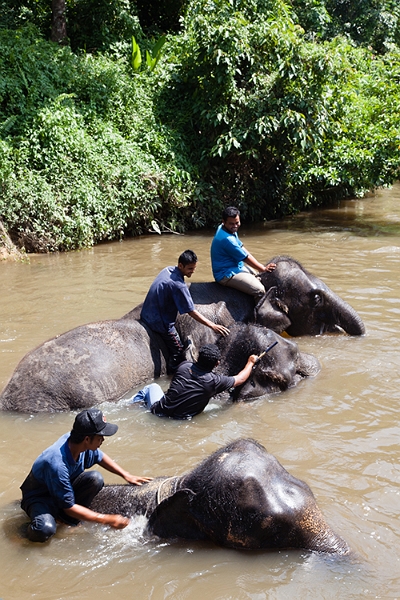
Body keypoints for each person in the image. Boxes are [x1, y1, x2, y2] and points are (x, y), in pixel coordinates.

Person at [20, 408, 152, 543]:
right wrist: (105, 519)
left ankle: (65, 520)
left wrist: (126, 475)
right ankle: (23, 533)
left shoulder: (79, 445)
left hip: (61, 488)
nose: (103, 440)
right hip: (40, 498)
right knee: (45, 529)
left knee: (95, 478)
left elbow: (100, 457)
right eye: (100, 437)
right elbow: (69, 507)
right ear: (87, 439)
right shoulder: (57, 463)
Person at [140, 249, 229, 373]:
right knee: (178, 350)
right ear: (180, 265)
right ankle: (172, 372)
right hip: (159, 322)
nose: (192, 271)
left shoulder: (167, 270)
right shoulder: (178, 285)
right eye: (190, 269)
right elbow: (191, 311)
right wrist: (212, 325)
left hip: (146, 313)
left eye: (194, 268)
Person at [131, 343, 258, 419]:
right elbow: (240, 379)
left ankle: (130, 405)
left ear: (198, 357)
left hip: (159, 411)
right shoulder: (214, 381)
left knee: (152, 387)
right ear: (217, 364)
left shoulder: (184, 366)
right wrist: (250, 362)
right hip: (182, 419)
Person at [210, 206, 276, 302]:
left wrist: (261, 268)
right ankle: (258, 315)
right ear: (223, 221)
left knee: (259, 276)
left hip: (236, 266)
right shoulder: (227, 240)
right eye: (231, 224)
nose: (235, 226)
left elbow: (242, 249)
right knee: (260, 290)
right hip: (226, 273)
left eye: (237, 223)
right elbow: (245, 258)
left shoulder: (225, 228)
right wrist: (263, 268)